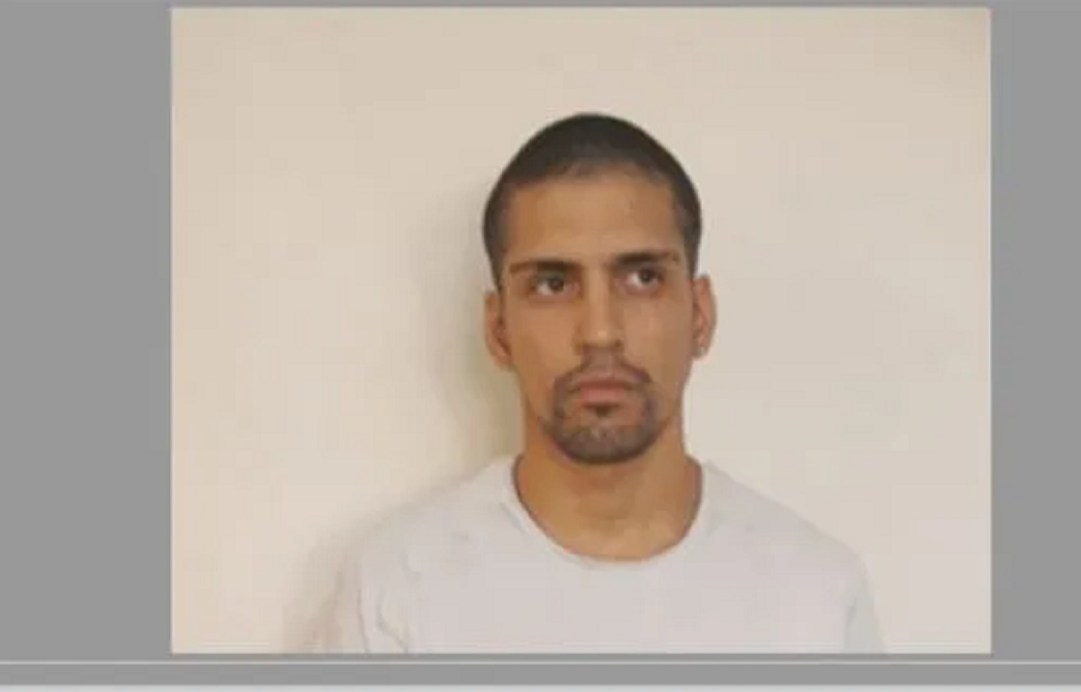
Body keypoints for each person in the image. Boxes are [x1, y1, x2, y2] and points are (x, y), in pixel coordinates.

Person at [315, 113, 882, 654]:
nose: (600, 332)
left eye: (643, 278)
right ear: (499, 329)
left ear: (700, 315)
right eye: (553, 284)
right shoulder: (398, 589)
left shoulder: (816, 594)